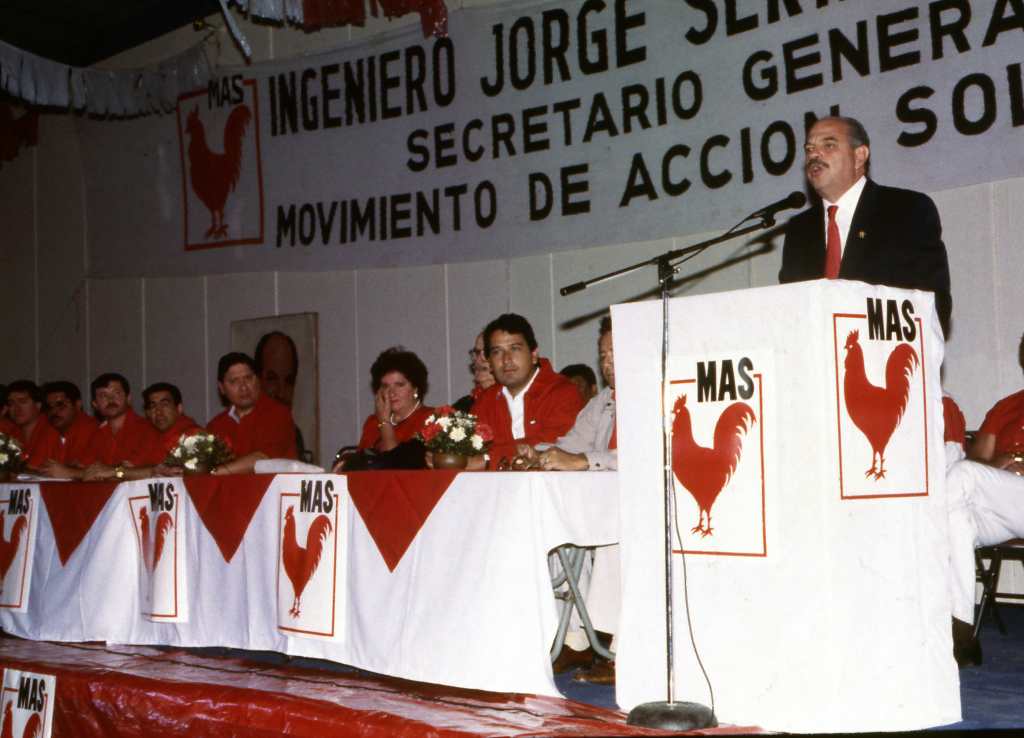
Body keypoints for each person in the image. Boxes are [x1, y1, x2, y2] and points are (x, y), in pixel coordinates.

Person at [779, 116, 952, 335]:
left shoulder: (905, 209)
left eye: (829, 145)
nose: (814, 155)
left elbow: (933, 304)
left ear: (859, 156)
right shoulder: (799, 230)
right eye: (809, 149)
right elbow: (789, 312)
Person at [516, 317, 619, 682]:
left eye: (615, 353)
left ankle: (618, 651)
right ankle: (573, 640)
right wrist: (537, 453)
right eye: (603, 354)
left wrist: (582, 462)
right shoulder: (603, 402)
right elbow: (572, 444)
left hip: (643, 506)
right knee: (552, 534)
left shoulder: (660, 393)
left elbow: (643, 452)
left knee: (612, 541)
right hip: (599, 500)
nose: (607, 363)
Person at [466, 313, 585, 469]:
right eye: (497, 352)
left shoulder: (563, 392)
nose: (506, 359)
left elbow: (552, 445)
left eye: (515, 349)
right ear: (489, 362)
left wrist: (489, 458)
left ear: (534, 354)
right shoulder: (484, 402)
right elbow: (469, 453)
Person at [207, 352, 298, 474]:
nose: (243, 387)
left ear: (258, 380)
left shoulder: (278, 414)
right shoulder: (216, 425)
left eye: (248, 378)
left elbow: (263, 460)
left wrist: (216, 472)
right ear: (222, 388)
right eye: (234, 381)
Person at [356, 347, 433, 452]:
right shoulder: (372, 422)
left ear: (416, 388)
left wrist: (384, 423)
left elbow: (396, 462)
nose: (391, 392)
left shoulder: (430, 420)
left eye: (399, 385)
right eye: (385, 386)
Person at [967, 334, 1024, 469]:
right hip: (1005, 482)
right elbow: (973, 463)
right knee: (962, 472)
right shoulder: (1004, 408)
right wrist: (1000, 464)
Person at [254, 331, 307, 460]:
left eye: (289, 381)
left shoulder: (293, 434)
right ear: (256, 380)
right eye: (272, 379)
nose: (281, 392)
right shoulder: (230, 430)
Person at [5, 380, 62, 472]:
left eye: (22, 401)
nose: (16, 408)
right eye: (11, 403)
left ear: (38, 405)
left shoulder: (51, 428)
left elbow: (34, 469)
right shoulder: (12, 431)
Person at [42, 380, 97, 466]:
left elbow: (86, 471)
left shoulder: (92, 430)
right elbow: (36, 467)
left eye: (60, 405)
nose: (54, 412)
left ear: (78, 405)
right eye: (49, 407)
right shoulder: (49, 429)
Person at [453, 332, 495, 413]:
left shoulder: (516, 404)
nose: (479, 360)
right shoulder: (462, 408)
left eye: (486, 352)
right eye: (476, 352)